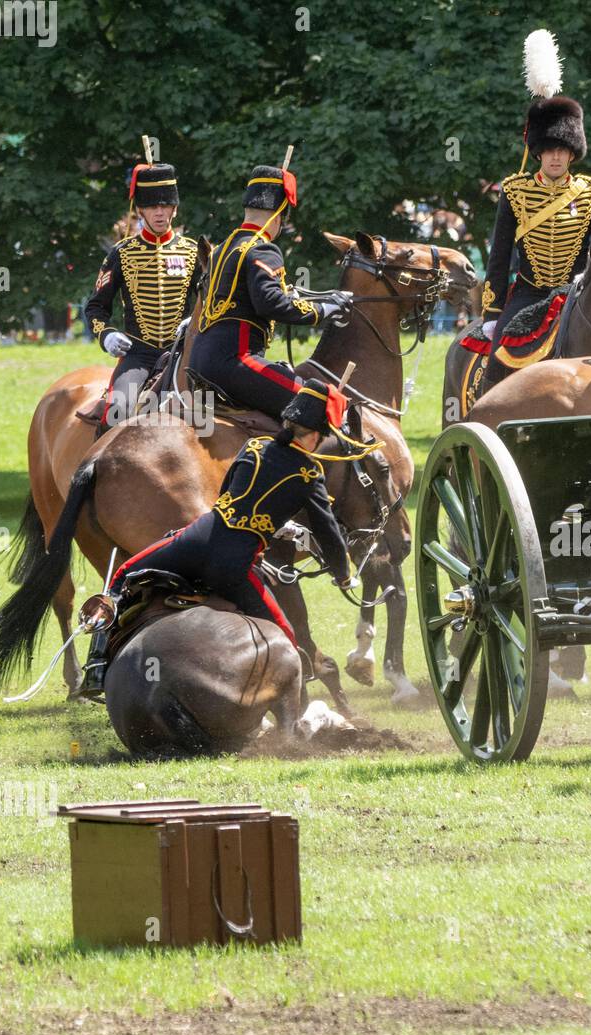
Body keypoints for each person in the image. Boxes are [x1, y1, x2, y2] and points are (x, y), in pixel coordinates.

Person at [80, 380, 361, 691]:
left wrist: (265, 523)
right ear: (313, 435)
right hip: (233, 565)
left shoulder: (254, 446)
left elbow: (230, 496)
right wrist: (343, 574)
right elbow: (328, 531)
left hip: (193, 541)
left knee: (122, 575)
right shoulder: (309, 474)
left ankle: (96, 667)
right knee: (286, 637)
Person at [479, 29, 591, 391]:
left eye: (562, 149)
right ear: (538, 151)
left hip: (577, 294)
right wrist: (493, 312)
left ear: (573, 152)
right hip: (529, 292)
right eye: (549, 148)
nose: (556, 156)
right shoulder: (515, 191)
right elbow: (500, 254)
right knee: (499, 353)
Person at [193, 164, 352, 418]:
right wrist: (324, 309)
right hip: (236, 362)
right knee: (320, 405)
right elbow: (271, 304)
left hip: (199, 362)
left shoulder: (221, 248)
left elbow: (248, 299)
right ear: (278, 216)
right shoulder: (262, 249)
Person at [83, 160, 203, 434]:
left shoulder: (193, 251)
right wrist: (107, 335)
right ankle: (95, 473)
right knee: (118, 411)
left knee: (215, 410)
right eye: (152, 206)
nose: (159, 213)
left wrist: (194, 322)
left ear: (174, 208)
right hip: (139, 353)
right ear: (140, 210)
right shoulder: (121, 253)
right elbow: (96, 307)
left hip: (184, 352)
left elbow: (209, 301)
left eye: (165, 206)